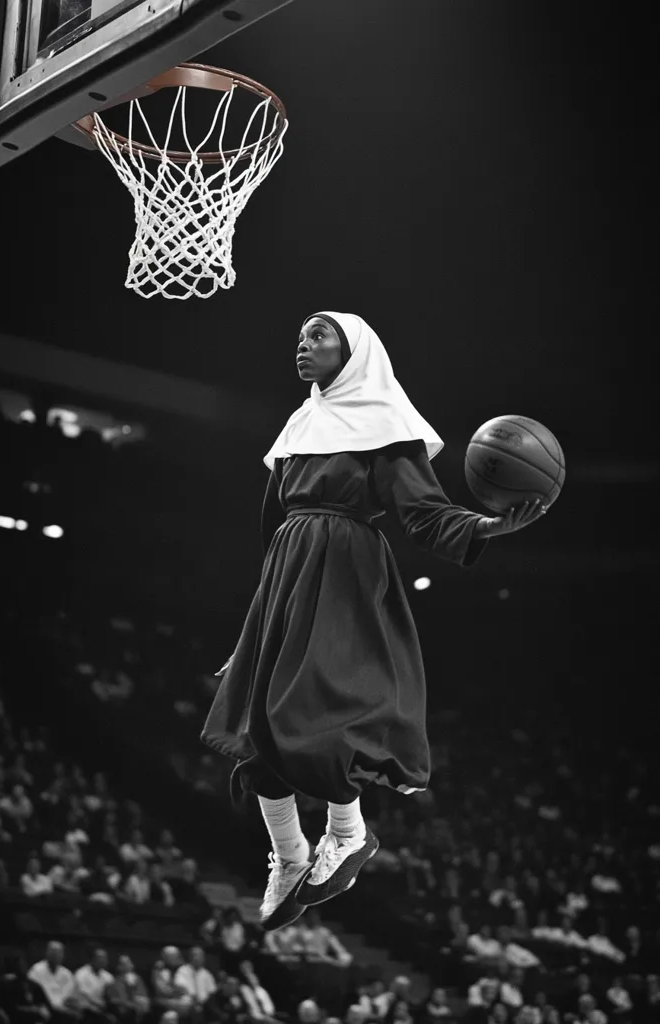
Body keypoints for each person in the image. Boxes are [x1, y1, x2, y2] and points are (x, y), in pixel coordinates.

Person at [201, 311, 548, 931]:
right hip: (287, 572)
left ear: (354, 352)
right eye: (301, 337)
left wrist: (487, 527)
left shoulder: (386, 424)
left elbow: (425, 514)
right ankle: (290, 855)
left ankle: (348, 832)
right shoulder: (298, 424)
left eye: (318, 336)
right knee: (259, 724)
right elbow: (272, 527)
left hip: (346, 570)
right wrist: (253, 630)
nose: (303, 345)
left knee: (313, 714)